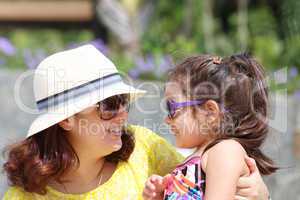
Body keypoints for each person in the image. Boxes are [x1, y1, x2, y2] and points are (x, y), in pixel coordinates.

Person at [3, 45, 270, 199]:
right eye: (108, 105)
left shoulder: (145, 149)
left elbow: (203, 186)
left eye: (123, 101)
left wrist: (259, 193)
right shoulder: (25, 195)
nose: (122, 114)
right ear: (67, 120)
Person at [143, 54, 276, 200]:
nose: (167, 119)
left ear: (210, 112)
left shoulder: (225, 151)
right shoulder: (205, 157)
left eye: (171, 108)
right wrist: (162, 195)